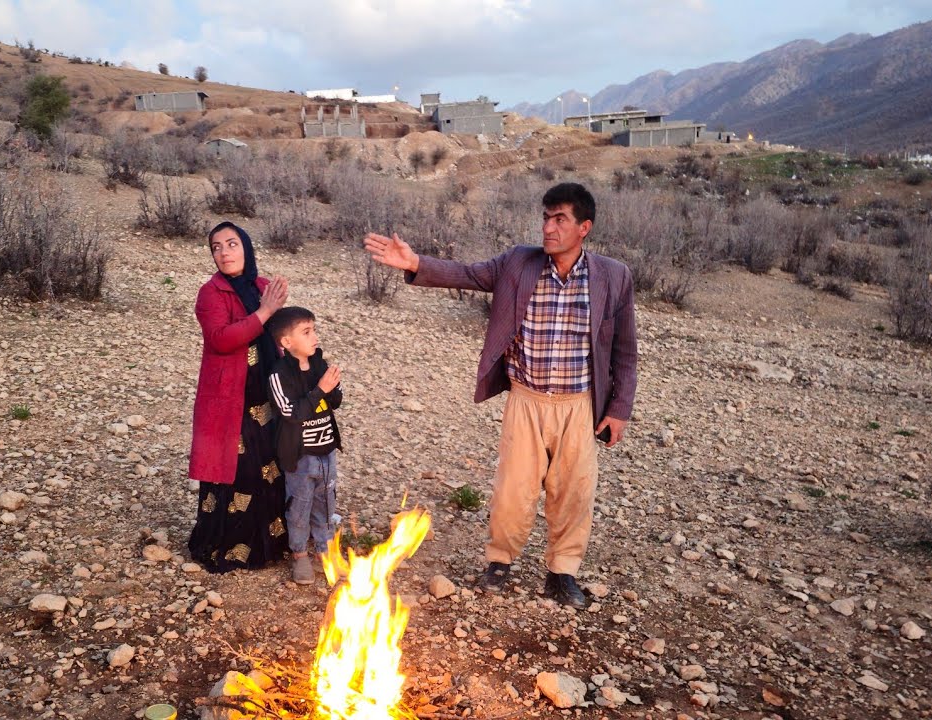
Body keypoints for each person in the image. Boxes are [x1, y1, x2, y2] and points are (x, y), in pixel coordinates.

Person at [363, 182, 638, 609]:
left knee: (574, 492)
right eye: (546, 217)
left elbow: (624, 349)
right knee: (514, 487)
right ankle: (499, 561)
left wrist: (619, 408)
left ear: (584, 227)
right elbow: (470, 274)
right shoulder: (518, 263)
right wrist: (414, 262)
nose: (548, 227)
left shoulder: (613, 276)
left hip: (579, 404)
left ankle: (562, 573)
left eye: (560, 219)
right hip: (526, 399)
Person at [188, 221, 290, 573]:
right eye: (216, 247)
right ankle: (228, 548)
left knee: (270, 467)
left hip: (267, 394)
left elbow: (282, 335)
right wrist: (265, 312)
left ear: (246, 248)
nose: (224, 252)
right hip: (229, 399)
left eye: (232, 244)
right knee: (237, 470)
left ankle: (271, 543)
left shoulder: (262, 286)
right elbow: (221, 338)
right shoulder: (210, 293)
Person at [265, 306, 344, 585]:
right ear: (287, 343)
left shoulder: (319, 364)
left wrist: (333, 387)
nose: (315, 337)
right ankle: (299, 554)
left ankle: (325, 550)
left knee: (326, 501)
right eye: (306, 332)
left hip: (326, 450)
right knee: (300, 506)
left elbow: (334, 402)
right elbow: (291, 413)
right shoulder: (279, 375)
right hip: (300, 456)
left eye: (314, 330)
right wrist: (321, 389)